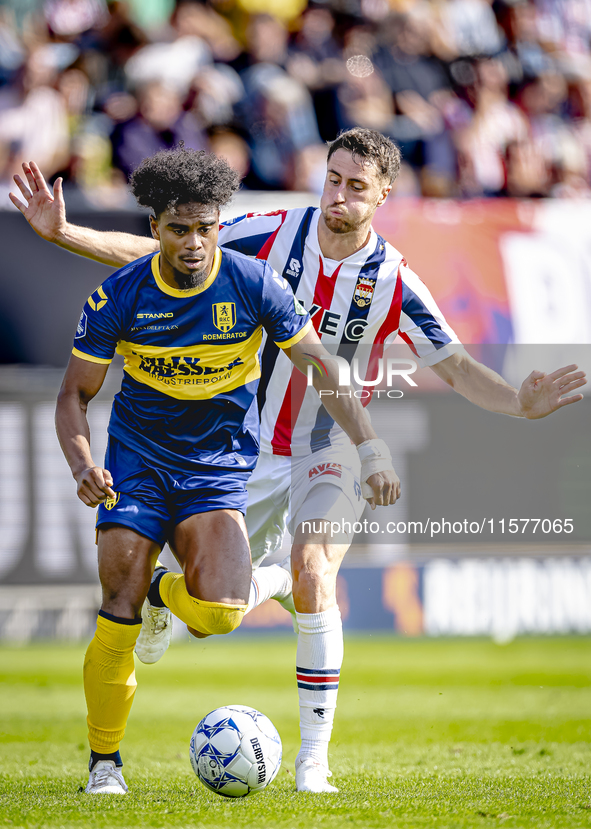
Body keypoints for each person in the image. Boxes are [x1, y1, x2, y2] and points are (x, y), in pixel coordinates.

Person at [11, 128, 587, 794]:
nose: (337, 196)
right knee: (212, 611)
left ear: (384, 196)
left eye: (355, 187)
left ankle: (313, 761)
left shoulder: (393, 279)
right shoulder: (273, 231)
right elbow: (164, 250)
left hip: (332, 444)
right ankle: (181, 599)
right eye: (332, 178)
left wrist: (517, 400)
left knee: (313, 567)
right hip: (249, 449)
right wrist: (64, 234)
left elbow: (455, 366)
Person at [45, 145, 399, 795]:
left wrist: (370, 444)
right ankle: (104, 764)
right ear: (154, 229)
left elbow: (319, 362)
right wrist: (82, 461)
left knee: (220, 613)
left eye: (205, 227)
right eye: (178, 228)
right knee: (115, 606)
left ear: (218, 224)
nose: (193, 242)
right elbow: (74, 394)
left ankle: (162, 593)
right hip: (136, 463)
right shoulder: (119, 296)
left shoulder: (252, 282)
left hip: (214, 468)